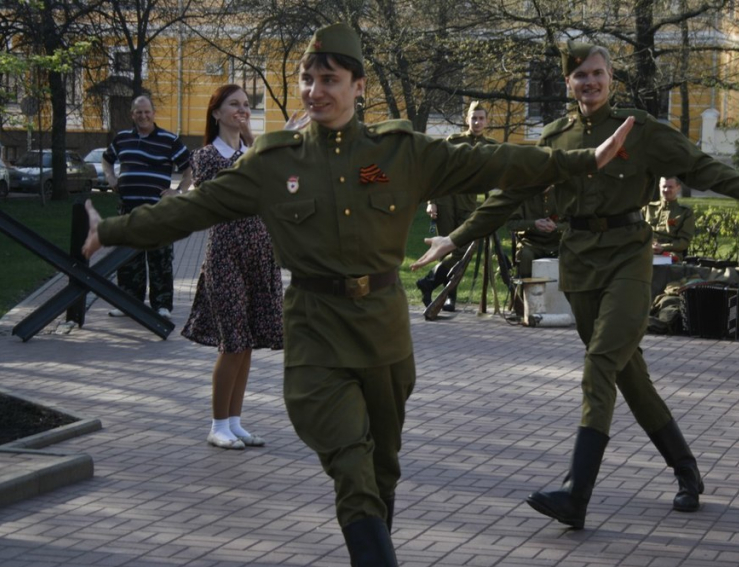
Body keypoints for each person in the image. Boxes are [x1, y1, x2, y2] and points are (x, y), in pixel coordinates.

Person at [82, 24, 634, 565]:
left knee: (382, 469)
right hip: (316, 330)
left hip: (384, 333)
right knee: (350, 462)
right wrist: (111, 230)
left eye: (329, 78)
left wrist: (583, 160)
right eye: (306, 79)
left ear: (358, 86)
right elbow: (191, 208)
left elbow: (496, 162)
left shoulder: (401, 154)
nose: (314, 91)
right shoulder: (277, 162)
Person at [413, 40, 739, 530]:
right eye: (580, 76)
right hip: (579, 264)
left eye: (598, 73)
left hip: (628, 258)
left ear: (611, 77)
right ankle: (687, 470)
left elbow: (699, 166)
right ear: (568, 84)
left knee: (600, 361)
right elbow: (509, 196)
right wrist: (454, 238)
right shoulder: (556, 139)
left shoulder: (638, 130)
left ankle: (576, 493)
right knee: (629, 376)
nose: (590, 82)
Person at [180, 84, 285, 450]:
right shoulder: (206, 156)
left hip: (260, 255)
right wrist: (256, 147)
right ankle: (217, 425)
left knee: (247, 344)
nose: (242, 110)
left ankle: (235, 422)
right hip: (226, 257)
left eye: (246, 105)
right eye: (234, 105)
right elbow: (234, 184)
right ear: (216, 113)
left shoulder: (250, 151)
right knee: (232, 342)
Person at [102, 95, 192, 320]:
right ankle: (127, 302)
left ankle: (162, 305)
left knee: (159, 257)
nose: (143, 116)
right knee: (127, 259)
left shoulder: (169, 140)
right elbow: (106, 160)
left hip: (158, 212)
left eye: (147, 112)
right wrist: (110, 177)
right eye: (138, 112)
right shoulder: (122, 138)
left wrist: (178, 191)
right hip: (127, 210)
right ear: (132, 115)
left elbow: (191, 168)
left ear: (153, 113)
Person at [416, 101, 498, 311]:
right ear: (467, 119)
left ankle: (429, 282)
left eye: (481, 118)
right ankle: (448, 296)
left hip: (468, 203)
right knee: (448, 249)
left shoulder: (490, 146)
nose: (477, 122)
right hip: (446, 200)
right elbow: (437, 169)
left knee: (461, 249)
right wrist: (431, 201)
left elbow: (493, 178)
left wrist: (494, 206)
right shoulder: (454, 140)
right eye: (473, 118)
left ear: (487, 121)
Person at [504, 186, 565, 278]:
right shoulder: (523, 194)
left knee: (570, 254)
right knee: (526, 255)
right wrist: (534, 224)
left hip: (557, 242)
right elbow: (511, 223)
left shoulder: (561, 193)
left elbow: (573, 222)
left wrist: (556, 226)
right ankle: (526, 289)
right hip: (531, 242)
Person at [643, 176, 695, 258]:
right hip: (646, 250)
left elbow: (684, 241)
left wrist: (663, 247)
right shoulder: (648, 208)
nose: (666, 190)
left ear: (678, 188)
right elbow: (637, 232)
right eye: (664, 187)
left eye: (670, 187)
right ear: (659, 187)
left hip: (670, 252)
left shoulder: (685, 212)